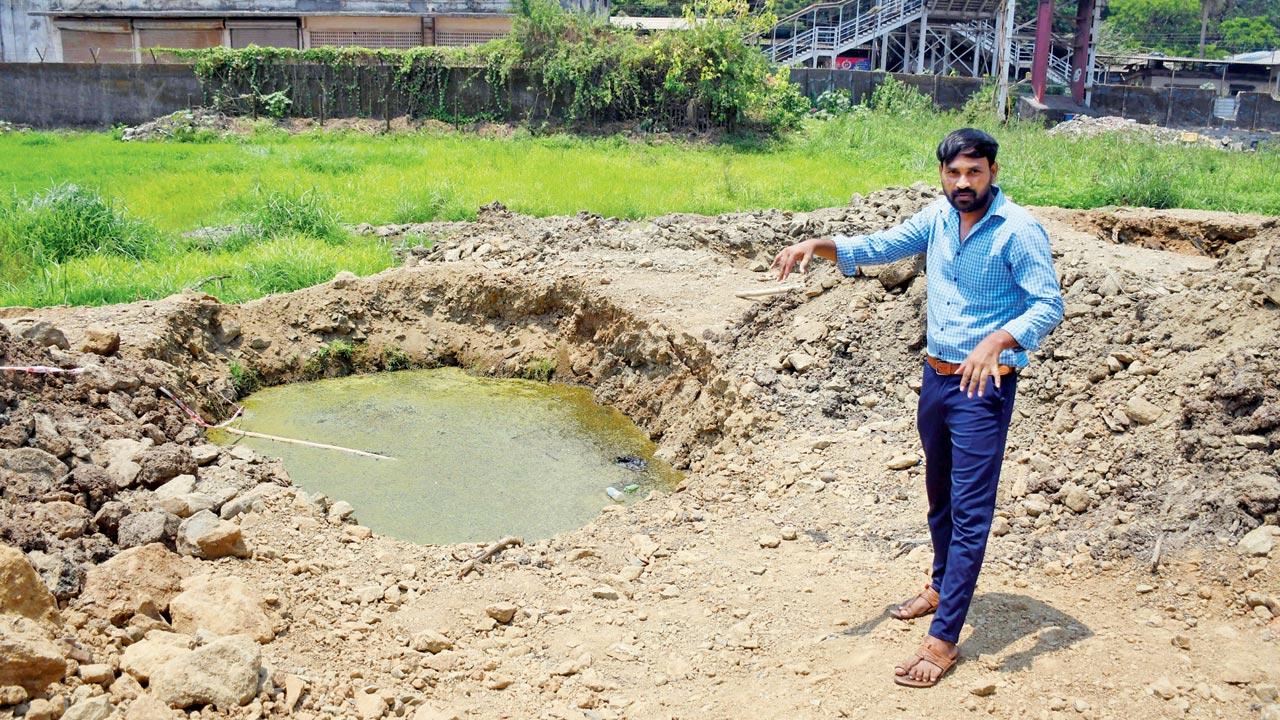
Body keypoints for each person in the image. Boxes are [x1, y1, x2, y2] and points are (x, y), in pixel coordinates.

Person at [770, 128, 1064, 688]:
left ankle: (944, 638)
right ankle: (939, 584)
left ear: (993, 172)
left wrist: (1001, 339)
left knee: (970, 510)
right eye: (953, 173)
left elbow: (1048, 302)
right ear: (942, 175)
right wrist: (820, 245)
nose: (963, 183)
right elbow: (882, 246)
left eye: (974, 172)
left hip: (984, 386)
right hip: (936, 378)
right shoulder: (938, 218)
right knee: (938, 495)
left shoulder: (1019, 231)